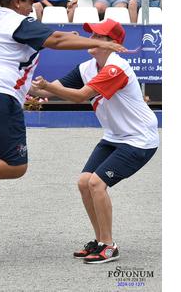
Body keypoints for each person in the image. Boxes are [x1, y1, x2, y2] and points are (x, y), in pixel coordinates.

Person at [0, 0, 127, 266]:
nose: (34, 5)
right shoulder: (17, 21)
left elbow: (52, 38)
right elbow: (58, 41)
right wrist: (100, 42)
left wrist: (72, 36)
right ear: (17, 2)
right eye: (30, 1)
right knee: (15, 166)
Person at [30, 18, 159, 264]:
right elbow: (45, 91)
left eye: (98, 36)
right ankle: (100, 241)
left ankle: (109, 246)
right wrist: (29, 81)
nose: (92, 39)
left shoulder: (115, 68)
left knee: (97, 184)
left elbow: (80, 97)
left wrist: (47, 87)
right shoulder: (88, 67)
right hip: (115, 136)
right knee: (83, 182)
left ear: (112, 44)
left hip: (139, 139)